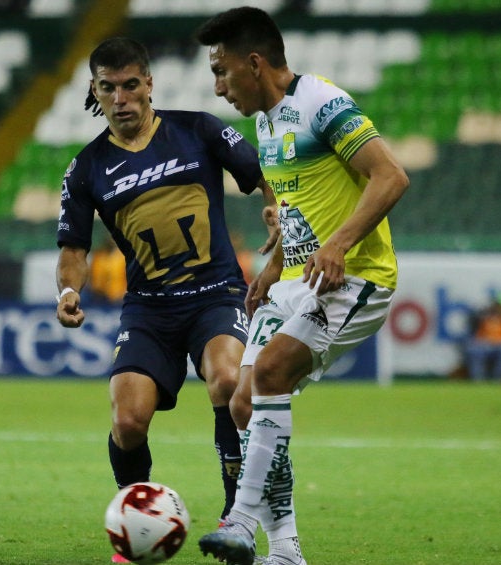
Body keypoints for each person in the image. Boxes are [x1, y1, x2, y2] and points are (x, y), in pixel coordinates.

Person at [194, 7, 411, 565]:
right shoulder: (266, 122)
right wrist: (272, 269)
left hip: (357, 275)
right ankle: (286, 552)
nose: (218, 87)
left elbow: (391, 176)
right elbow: (297, 205)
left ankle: (240, 522)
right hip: (296, 279)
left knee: (268, 375)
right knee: (243, 403)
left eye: (222, 72)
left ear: (255, 62)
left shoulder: (322, 101)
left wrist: (337, 243)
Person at [53, 37, 278, 564]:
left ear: (149, 84)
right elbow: (73, 247)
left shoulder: (198, 128)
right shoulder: (86, 167)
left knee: (226, 379)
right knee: (127, 421)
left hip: (216, 294)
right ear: (95, 90)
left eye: (131, 85)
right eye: (108, 88)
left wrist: (274, 207)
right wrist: (68, 289)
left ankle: (234, 519)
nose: (121, 97)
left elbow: (262, 172)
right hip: (149, 308)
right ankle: (136, 525)